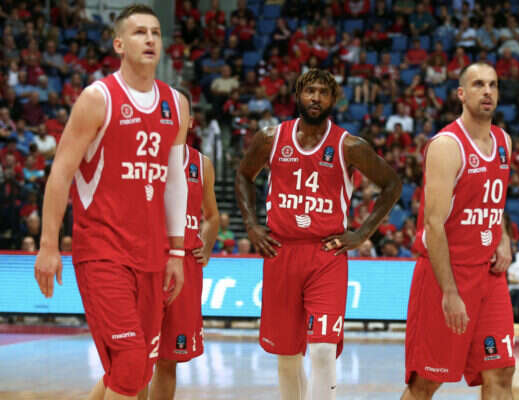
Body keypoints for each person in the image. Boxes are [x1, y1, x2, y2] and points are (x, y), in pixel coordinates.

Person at [33, 5, 189, 400]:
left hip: (153, 254)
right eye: (139, 32)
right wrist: (49, 245)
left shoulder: (176, 104)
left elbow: (174, 181)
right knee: (131, 361)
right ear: (119, 44)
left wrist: (176, 251)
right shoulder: (97, 98)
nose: (150, 39)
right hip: (102, 251)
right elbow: (60, 174)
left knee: (134, 371)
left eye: (155, 32)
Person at [235, 69, 402, 400]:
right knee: (287, 357)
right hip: (280, 251)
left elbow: (392, 184)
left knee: (323, 350)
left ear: (333, 100)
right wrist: (252, 225)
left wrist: (362, 233)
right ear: (298, 94)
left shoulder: (349, 145)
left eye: (323, 93)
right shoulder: (270, 138)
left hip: (326, 254)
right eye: (310, 91)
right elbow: (243, 175)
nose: (316, 98)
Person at [403, 62, 515, 400]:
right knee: (426, 383)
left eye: (493, 85)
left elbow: (493, 202)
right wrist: (450, 292)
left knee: (501, 371)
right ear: (461, 94)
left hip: (489, 276)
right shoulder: (446, 145)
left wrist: (503, 237)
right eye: (478, 84)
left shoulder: (504, 141)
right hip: (447, 275)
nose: (487, 91)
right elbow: (433, 225)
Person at [149, 90, 220, 400]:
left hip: (186, 265)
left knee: (169, 359)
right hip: (149, 261)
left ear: (190, 121)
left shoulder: (202, 164)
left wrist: (208, 242)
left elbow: (212, 216)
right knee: (135, 357)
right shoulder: (145, 157)